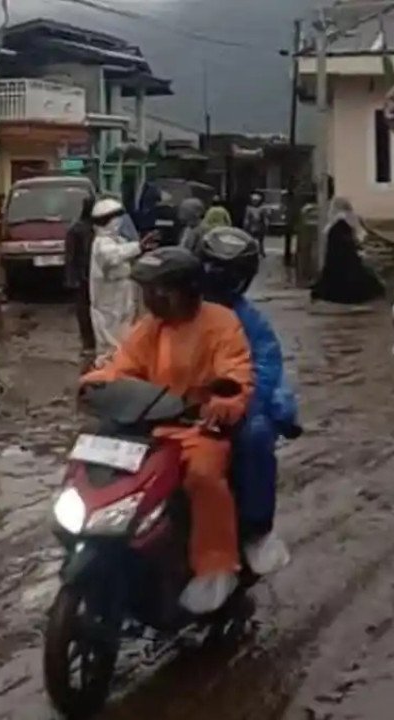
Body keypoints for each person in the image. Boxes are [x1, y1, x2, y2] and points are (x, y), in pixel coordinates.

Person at [83, 247, 254, 614]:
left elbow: (235, 373)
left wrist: (222, 401)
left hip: (198, 428)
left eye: (158, 290)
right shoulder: (150, 328)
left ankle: (215, 567)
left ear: (185, 289)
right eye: (147, 291)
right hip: (151, 426)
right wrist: (97, 385)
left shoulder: (221, 323)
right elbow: (123, 367)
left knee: (204, 476)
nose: (150, 299)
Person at [193, 227, 299, 576]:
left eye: (228, 275)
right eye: (211, 270)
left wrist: (241, 400)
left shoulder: (250, 320)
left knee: (254, 436)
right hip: (174, 404)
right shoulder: (173, 309)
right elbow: (134, 355)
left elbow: (266, 366)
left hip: (227, 406)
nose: (217, 280)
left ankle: (255, 529)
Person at [88, 197, 144, 356]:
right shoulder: (101, 243)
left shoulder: (117, 240)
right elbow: (112, 256)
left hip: (122, 295)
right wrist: (138, 247)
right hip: (108, 301)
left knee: (125, 333)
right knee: (110, 339)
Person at [310, 197, 385, 305]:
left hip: (335, 275)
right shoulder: (351, 222)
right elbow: (360, 240)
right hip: (352, 274)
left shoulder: (333, 226)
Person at [64, 195, 97, 359]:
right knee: (83, 310)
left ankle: (95, 339)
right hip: (83, 274)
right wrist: (72, 277)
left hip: (95, 274)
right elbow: (70, 256)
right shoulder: (76, 229)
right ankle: (88, 342)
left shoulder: (97, 228)